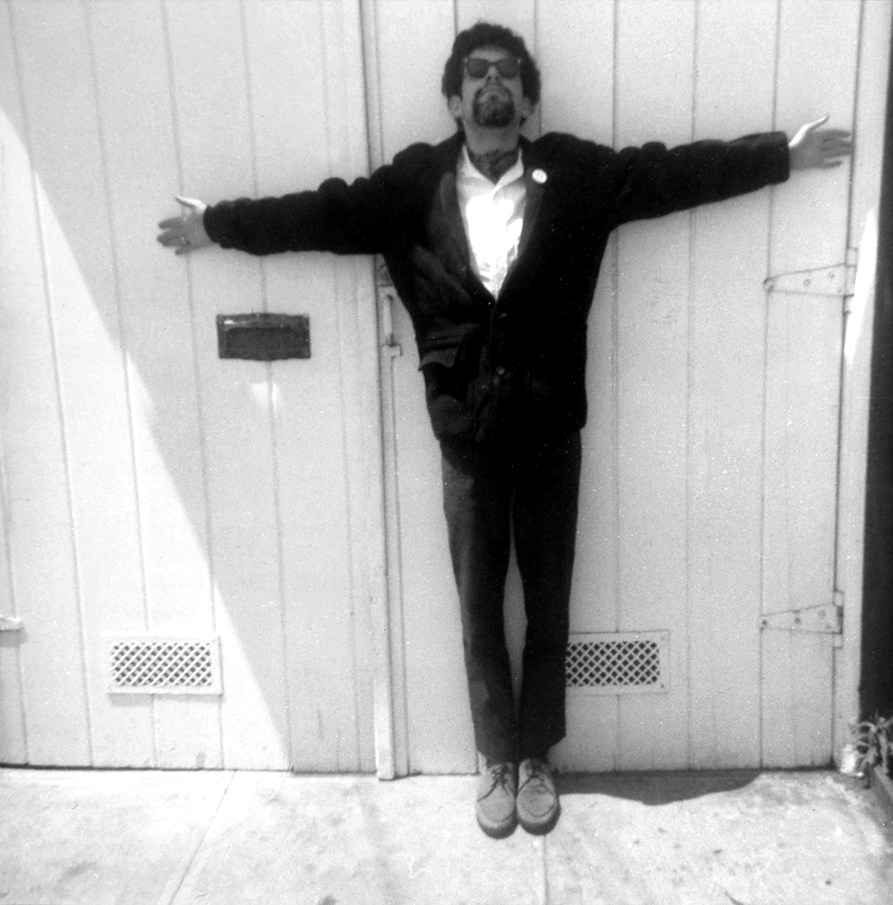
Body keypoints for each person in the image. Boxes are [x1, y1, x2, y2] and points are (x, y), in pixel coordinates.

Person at [158, 22, 853, 838]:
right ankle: (494, 755)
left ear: (526, 100)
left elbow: (675, 173)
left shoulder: (576, 175)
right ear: (454, 99)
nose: (492, 82)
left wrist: (782, 156)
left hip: (551, 420)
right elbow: (317, 214)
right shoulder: (411, 185)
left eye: (507, 73)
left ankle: (535, 756)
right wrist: (217, 225)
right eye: (475, 72)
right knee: (478, 601)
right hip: (464, 426)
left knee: (549, 599)